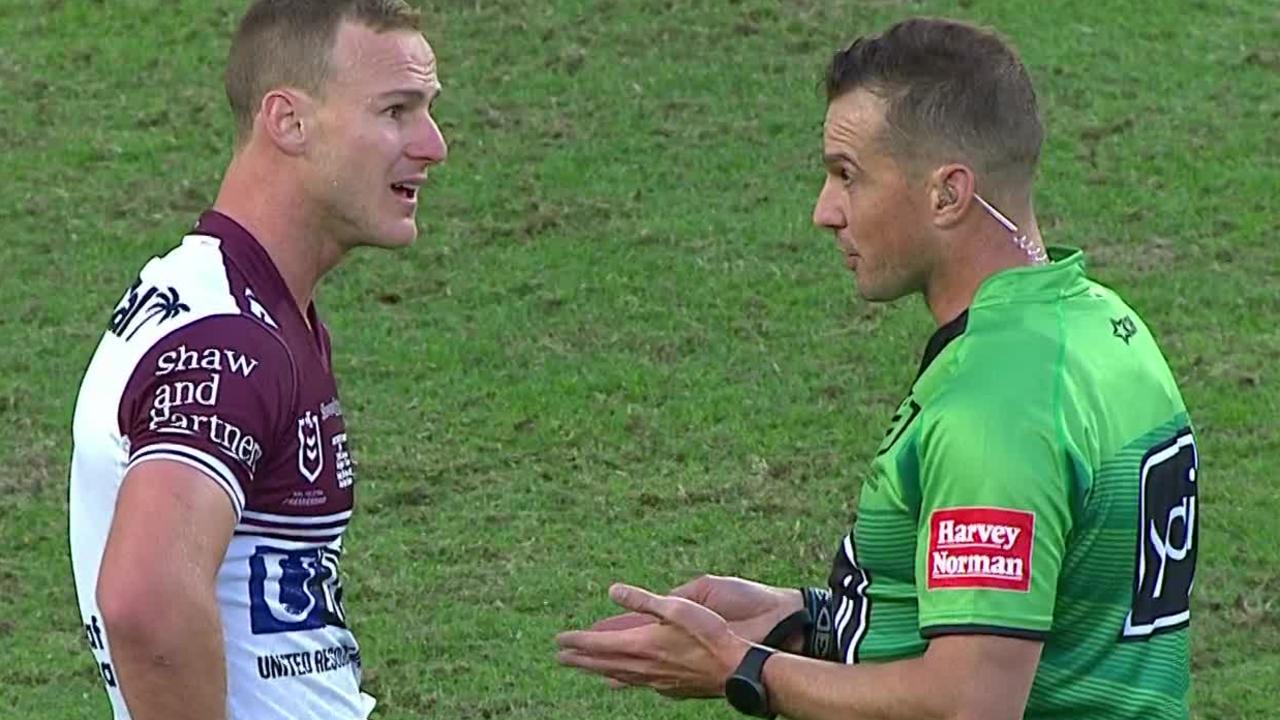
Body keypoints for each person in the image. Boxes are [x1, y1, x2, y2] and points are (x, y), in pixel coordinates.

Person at [557, 17, 1198, 720]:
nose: (824, 212)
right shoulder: (1102, 323)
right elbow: (1043, 612)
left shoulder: (995, 409)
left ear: (948, 194)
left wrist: (743, 669)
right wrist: (807, 617)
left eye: (847, 175)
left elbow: (970, 702)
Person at [68, 1, 447, 718]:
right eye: (396, 111)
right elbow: (144, 601)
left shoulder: (237, 304)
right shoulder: (229, 341)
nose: (433, 144)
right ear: (288, 121)